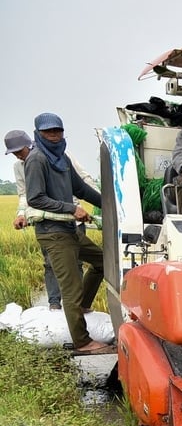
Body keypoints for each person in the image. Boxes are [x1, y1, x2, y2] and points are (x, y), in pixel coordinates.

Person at [23, 112, 110, 355]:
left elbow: (80, 188)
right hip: (53, 233)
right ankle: (82, 342)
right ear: (38, 134)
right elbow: (36, 198)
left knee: (102, 261)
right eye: (48, 132)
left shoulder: (61, 158)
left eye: (58, 131)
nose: (54, 136)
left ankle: (82, 307)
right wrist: (72, 208)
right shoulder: (37, 159)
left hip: (70, 230)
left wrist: (110, 204)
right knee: (70, 288)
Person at [7, 129, 98, 311]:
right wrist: (21, 214)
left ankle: (79, 306)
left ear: (29, 144)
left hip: (73, 220)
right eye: (14, 153)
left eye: (20, 151)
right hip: (48, 223)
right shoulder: (20, 166)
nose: (18, 156)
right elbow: (26, 195)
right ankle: (54, 304)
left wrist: (101, 202)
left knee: (76, 263)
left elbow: (83, 181)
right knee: (50, 263)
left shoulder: (61, 156)